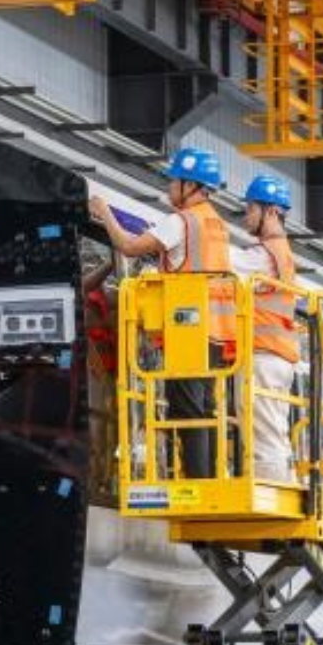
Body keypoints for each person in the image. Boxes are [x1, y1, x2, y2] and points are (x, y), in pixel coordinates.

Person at [88, 148, 236, 479]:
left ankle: (199, 484)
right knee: (207, 409)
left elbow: (128, 246)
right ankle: (210, 479)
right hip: (216, 333)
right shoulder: (217, 225)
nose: (169, 189)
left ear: (191, 185)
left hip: (188, 330)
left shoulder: (181, 222)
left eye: (173, 182)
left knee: (188, 408)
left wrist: (104, 212)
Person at [234, 174, 303, 484]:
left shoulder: (264, 256)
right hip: (276, 356)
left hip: (263, 355)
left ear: (271, 212)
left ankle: (269, 490)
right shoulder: (282, 253)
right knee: (272, 430)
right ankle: (279, 482)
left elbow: (220, 262)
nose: (246, 216)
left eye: (251, 208)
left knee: (262, 434)